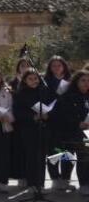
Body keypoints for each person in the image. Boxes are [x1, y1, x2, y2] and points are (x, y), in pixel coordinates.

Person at [48, 68, 89, 197]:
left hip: (85, 133)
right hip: (66, 134)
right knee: (68, 157)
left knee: (84, 156)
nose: (86, 83)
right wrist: (77, 123)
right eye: (83, 80)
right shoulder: (67, 96)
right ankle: (70, 182)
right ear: (76, 81)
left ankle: (83, 183)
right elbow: (62, 115)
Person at [12, 68, 49, 198]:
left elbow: (51, 107)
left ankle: (40, 184)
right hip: (28, 129)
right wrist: (32, 117)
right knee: (31, 157)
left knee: (41, 157)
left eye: (36, 78)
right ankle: (31, 184)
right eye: (30, 79)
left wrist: (47, 115)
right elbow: (17, 112)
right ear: (25, 80)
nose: (34, 81)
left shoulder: (43, 92)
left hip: (42, 128)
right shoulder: (21, 94)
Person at [43, 56, 75, 190]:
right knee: (55, 151)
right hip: (53, 122)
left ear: (64, 67)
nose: (56, 68)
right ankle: (55, 178)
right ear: (50, 68)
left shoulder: (71, 81)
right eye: (53, 66)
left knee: (68, 152)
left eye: (59, 65)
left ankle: (66, 178)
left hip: (69, 123)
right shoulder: (45, 82)